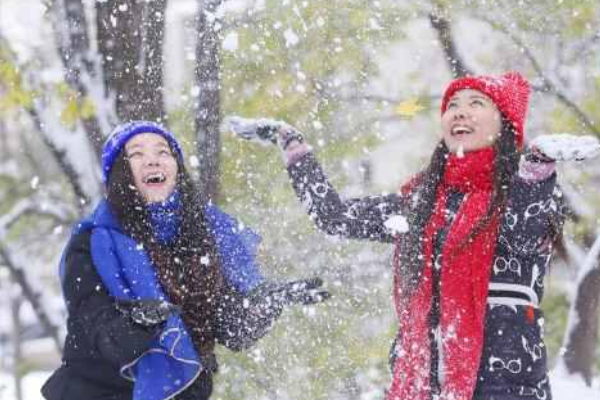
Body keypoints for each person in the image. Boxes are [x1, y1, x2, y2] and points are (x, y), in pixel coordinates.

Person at [227, 71, 600, 400]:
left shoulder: (519, 195)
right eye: (453, 104)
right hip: (422, 382)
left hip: (505, 384)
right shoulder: (419, 206)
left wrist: (535, 170)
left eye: (476, 103)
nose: (460, 111)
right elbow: (335, 217)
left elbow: (522, 234)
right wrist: (291, 141)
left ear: (506, 125)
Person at [41, 121, 329, 400]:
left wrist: (268, 302)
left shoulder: (202, 235)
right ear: (119, 172)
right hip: (100, 392)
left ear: (177, 168)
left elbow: (233, 330)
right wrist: (140, 322)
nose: (152, 161)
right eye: (137, 154)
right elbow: (103, 338)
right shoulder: (93, 243)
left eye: (163, 152)